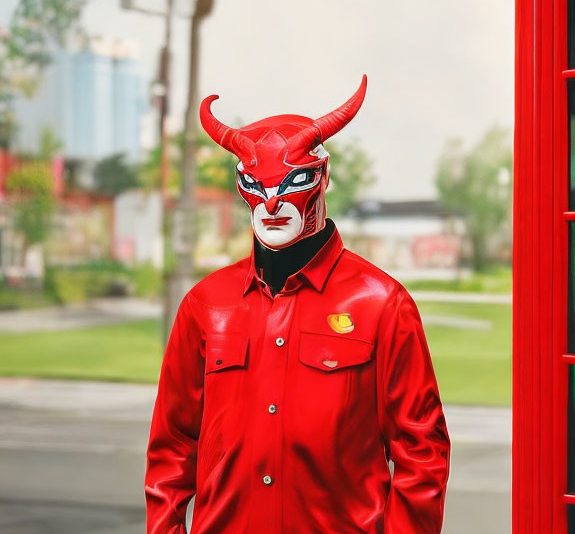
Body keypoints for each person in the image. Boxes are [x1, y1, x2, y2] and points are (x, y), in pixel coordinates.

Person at [144, 75, 451, 533]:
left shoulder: (383, 305)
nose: (271, 204)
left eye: (293, 183)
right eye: (256, 186)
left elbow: (421, 453)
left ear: (321, 179)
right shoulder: (205, 305)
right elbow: (172, 449)